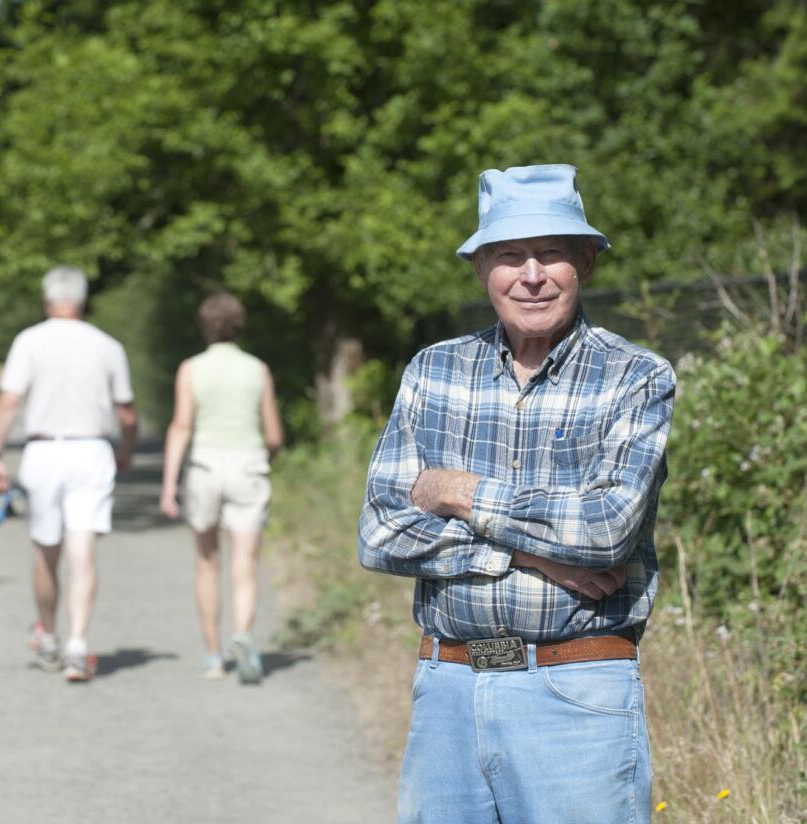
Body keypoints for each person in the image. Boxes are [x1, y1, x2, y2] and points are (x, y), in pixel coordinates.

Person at [358, 164, 675, 823]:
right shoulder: (433, 370)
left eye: (551, 253)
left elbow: (603, 531)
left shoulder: (635, 377)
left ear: (584, 263)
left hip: (577, 693)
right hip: (448, 690)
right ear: (481, 270)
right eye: (509, 256)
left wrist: (455, 490)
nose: (531, 275)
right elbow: (380, 531)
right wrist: (528, 555)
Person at [0, 265, 137, 683]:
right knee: (82, 549)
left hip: (44, 451)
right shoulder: (107, 346)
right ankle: (78, 645)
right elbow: (126, 410)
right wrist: (127, 446)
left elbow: (9, 401)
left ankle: (48, 635)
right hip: (91, 450)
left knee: (46, 551)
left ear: (47, 299)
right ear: (83, 300)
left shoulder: (29, 341)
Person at [159, 293, 283, 683]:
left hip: (206, 467)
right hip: (248, 464)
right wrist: (266, 456)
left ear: (204, 327)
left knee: (207, 563)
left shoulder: (191, 368)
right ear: (239, 326)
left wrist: (168, 485)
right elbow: (275, 435)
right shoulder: (257, 369)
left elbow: (181, 426)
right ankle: (243, 635)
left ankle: (213, 654)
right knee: (245, 563)